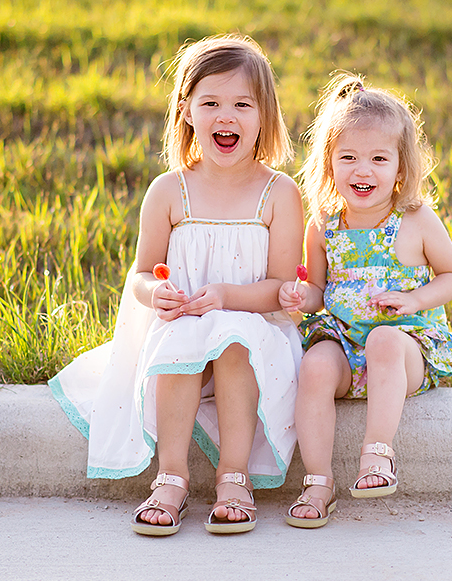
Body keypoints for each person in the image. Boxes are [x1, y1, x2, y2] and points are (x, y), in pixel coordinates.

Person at [50, 34, 304, 536]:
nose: (224, 116)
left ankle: (235, 477)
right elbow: (142, 273)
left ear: (263, 115)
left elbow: (280, 288)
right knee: (182, 339)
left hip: (255, 337)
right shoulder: (169, 191)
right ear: (186, 111)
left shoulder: (278, 194)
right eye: (210, 103)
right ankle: (172, 477)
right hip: (181, 326)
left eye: (241, 105)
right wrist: (155, 294)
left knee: (233, 339)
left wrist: (228, 297)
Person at [278, 72, 452, 528]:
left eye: (379, 159)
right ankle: (319, 481)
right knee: (316, 366)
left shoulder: (415, 219)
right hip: (344, 344)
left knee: (383, 340)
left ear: (400, 169)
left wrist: (414, 299)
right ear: (329, 164)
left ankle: (377, 455)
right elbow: (321, 292)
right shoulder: (324, 226)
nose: (363, 170)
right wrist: (300, 296)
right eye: (349, 158)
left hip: (404, 349)